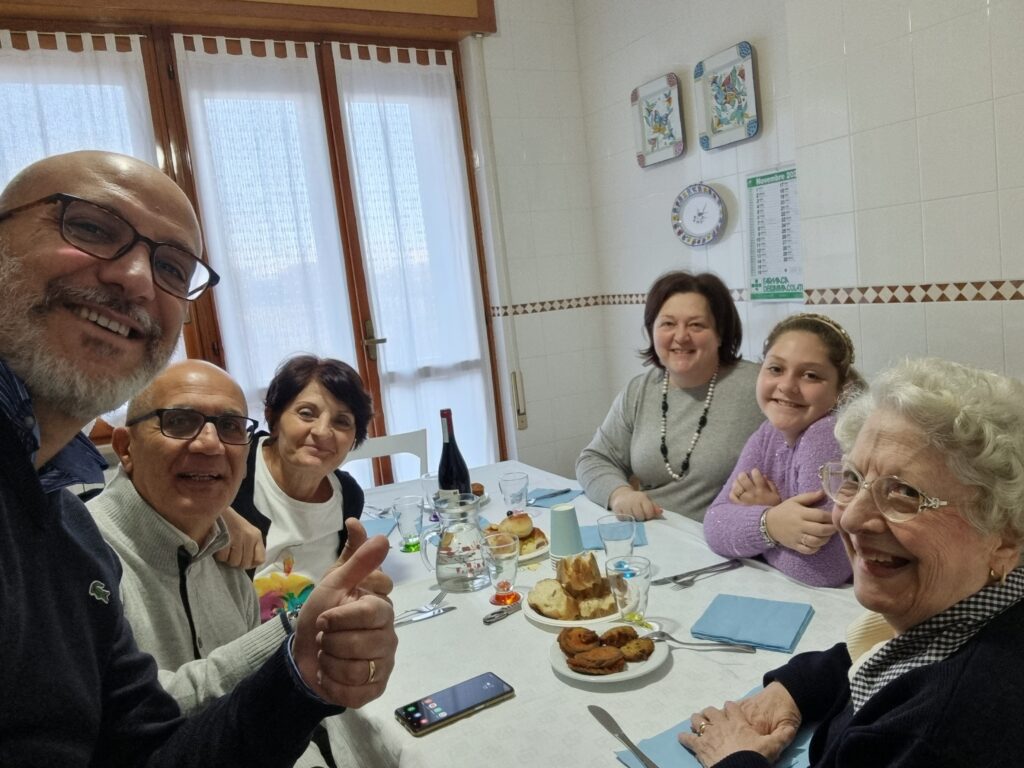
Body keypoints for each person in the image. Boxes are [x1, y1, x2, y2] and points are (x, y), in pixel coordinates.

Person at [0, 150, 396, 766]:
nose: (134, 277)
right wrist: (288, 637)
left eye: (171, 267)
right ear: (125, 449)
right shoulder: (99, 540)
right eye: (92, 228)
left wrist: (300, 681)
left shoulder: (64, 544)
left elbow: (151, 749)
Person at [680, 358, 1024, 767]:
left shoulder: (940, 731)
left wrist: (735, 758)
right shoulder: (980, 606)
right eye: (854, 479)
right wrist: (795, 687)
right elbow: (895, 651)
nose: (851, 517)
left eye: (904, 493)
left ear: (1004, 538)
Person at [88, 360, 381, 766]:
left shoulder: (222, 552)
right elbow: (137, 717)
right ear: (125, 447)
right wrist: (298, 626)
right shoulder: (83, 558)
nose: (209, 444)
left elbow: (252, 707)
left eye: (229, 428)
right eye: (179, 421)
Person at [576, 271, 764, 521]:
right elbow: (594, 458)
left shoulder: (760, 386)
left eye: (696, 325)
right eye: (668, 323)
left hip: (720, 547)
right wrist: (620, 494)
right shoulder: (640, 390)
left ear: (720, 333)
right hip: (653, 538)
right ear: (651, 331)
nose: (681, 336)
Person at [703, 314, 862, 587]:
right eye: (776, 369)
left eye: (810, 375)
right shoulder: (768, 433)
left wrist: (760, 524)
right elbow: (714, 524)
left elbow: (821, 569)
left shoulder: (827, 434)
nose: (787, 386)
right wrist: (772, 521)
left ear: (841, 390)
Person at [230, 355, 371, 622]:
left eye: (342, 422)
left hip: (309, 643)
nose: (322, 432)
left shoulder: (349, 497)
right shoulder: (233, 469)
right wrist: (220, 513)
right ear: (273, 417)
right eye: (306, 413)